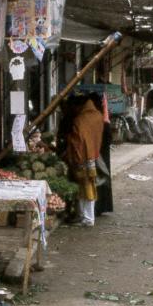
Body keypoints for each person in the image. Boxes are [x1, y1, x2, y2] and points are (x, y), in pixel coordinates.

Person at [63, 94, 104, 227]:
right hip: (93, 155)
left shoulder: (80, 119)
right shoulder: (98, 115)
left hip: (81, 157)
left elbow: (76, 141)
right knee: (88, 186)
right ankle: (84, 216)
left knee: (85, 187)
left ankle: (87, 218)